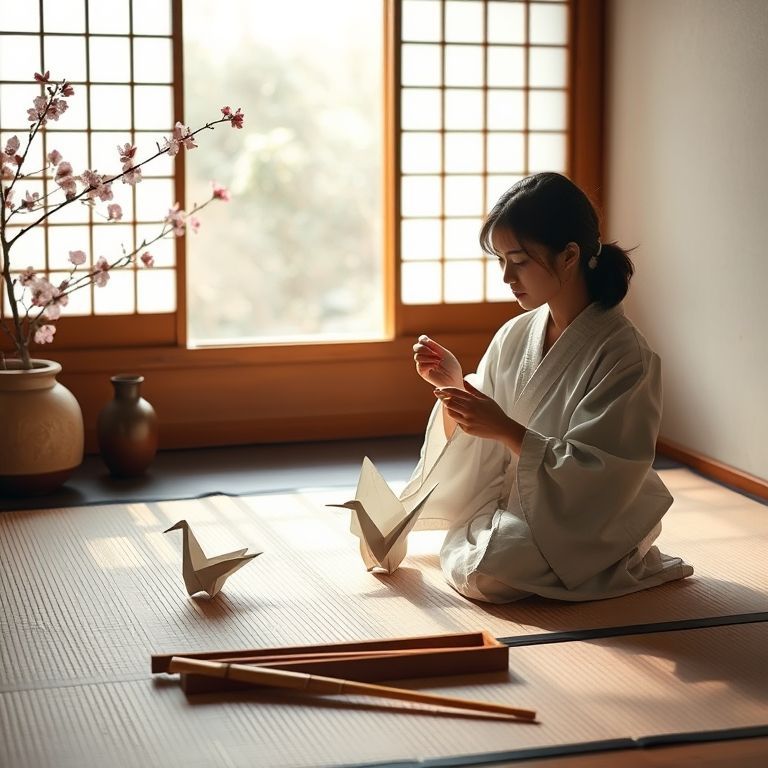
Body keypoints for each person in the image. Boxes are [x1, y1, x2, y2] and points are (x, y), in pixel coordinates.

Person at [401, 172, 693, 603]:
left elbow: (603, 473)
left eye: (518, 261)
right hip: (513, 504)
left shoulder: (624, 354)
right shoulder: (516, 333)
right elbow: (483, 434)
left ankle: (616, 555)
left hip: (583, 522)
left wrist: (506, 429)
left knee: (492, 569)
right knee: (487, 560)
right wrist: (452, 385)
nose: (506, 277)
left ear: (569, 256)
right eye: (500, 261)